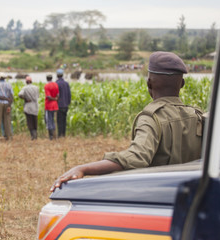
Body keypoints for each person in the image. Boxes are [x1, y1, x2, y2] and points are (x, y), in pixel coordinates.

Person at [50, 51, 204, 192]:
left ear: (149, 83)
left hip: (158, 195)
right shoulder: (197, 115)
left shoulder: (152, 118)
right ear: (182, 84)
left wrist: (82, 168)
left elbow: (137, 158)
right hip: (191, 196)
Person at [18, 76, 39, 140]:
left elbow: (20, 94)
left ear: (26, 82)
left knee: (30, 121)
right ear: (31, 81)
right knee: (35, 121)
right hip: (35, 106)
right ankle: (35, 135)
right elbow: (38, 96)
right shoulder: (36, 88)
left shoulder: (25, 88)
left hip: (28, 106)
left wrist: (25, 99)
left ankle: (33, 136)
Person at [0, 72, 14, 141]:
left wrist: (5, 99)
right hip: (7, 103)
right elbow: (11, 96)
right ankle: (9, 136)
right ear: (5, 78)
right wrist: (9, 105)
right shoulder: (9, 85)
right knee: (7, 120)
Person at [55, 69, 71, 138]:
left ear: (57, 75)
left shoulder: (56, 83)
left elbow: (56, 95)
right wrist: (68, 103)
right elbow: (69, 94)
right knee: (64, 120)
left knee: (59, 121)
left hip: (59, 105)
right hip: (65, 105)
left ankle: (60, 135)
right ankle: (63, 134)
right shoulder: (66, 83)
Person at [44, 73, 59, 140]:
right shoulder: (56, 84)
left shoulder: (46, 86)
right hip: (55, 105)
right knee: (53, 120)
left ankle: (51, 136)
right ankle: (54, 135)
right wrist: (56, 99)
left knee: (49, 120)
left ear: (47, 79)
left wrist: (53, 99)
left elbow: (49, 97)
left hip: (49, 105)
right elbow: (58, 95)